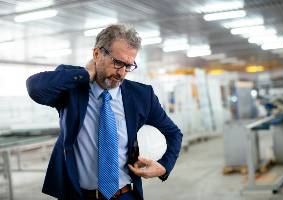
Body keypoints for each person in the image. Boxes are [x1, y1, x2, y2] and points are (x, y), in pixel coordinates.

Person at [26, 24, 182, 200]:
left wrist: (164, 166)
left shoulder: (142, 96)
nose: (122, 73)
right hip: (78, 195)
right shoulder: (73, 88)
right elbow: (35, 88)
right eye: (117, 62)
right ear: (97, 54)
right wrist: (86, 73)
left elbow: (174, 133)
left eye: (128, 66)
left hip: (124, 194)